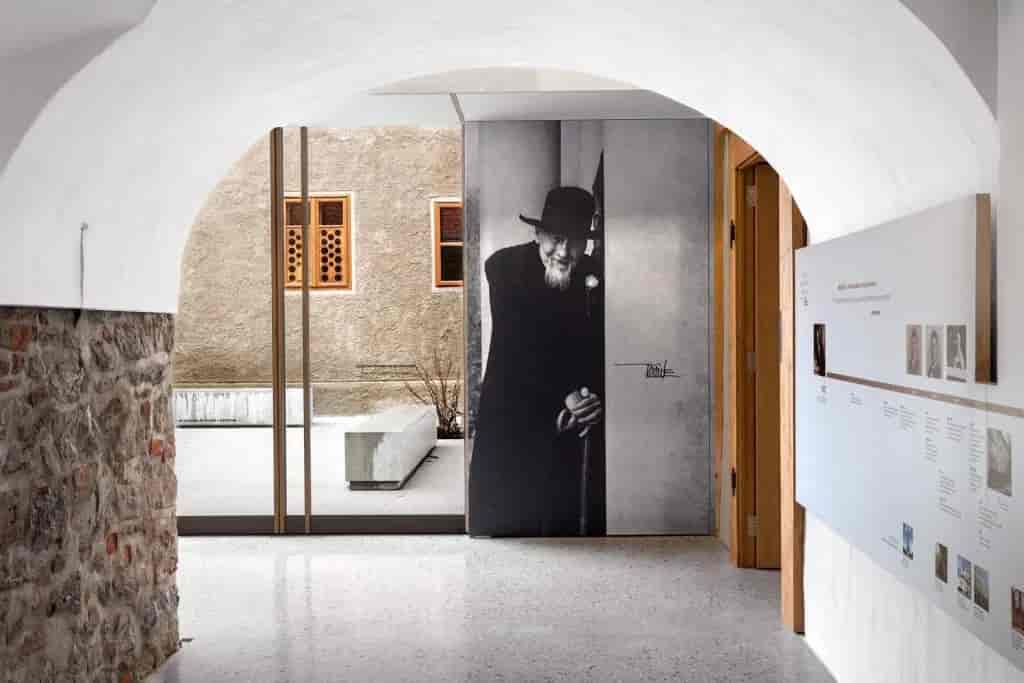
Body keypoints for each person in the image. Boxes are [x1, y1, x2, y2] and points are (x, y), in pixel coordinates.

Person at [469, 186, 605, 536]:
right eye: (556, 238)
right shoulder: (503, 267)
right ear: (537, 233)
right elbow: (522, 339)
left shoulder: (592, 273)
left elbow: (595, 344)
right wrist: (566, 395)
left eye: (575, 241)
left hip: (569, 428)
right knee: (509, 524)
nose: (563, 251)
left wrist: (590, 400)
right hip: (513, 416)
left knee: (561, 522)